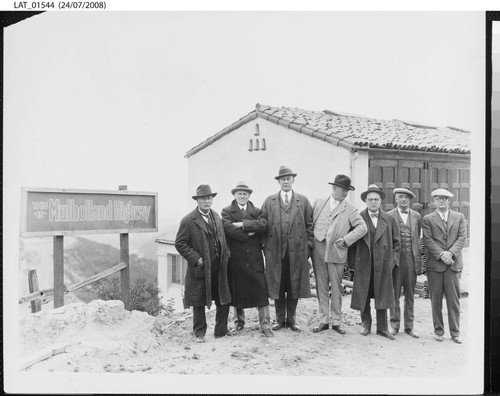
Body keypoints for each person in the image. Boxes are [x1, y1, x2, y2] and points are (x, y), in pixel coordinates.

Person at [175, 184, 231, 343]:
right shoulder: (188, 220)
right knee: (198, 301)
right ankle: (199, 334)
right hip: (200, 269)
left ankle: (221, 331)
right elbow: (180, 244)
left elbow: (222, 239)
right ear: (197, 201)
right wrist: (196, 258)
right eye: (203, 198)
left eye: (209, 198)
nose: (207, 201)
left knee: (223, 298)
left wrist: (226, 255)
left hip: (218, 267)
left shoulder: (216, 216)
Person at [311, 174, 367, 334]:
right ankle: (323, 321)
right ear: (334, 188)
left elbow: (362, 228)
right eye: (343, 190)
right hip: (318, 248)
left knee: (336, 287)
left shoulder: (350, 208)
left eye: (347, 191)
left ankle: (336, 322)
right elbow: (311, 223)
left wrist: (346, 240)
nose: (345, 194)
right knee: (321, 285)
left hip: (337, 250)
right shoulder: (319, 203)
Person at [261, 165, 313, 332]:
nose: (286, 182)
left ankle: (291, 320)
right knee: (278, 285)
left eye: (288, 179)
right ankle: (279, 320)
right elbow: (262, 225)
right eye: (282, 179)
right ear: (279, 181)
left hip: (297, 252)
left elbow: (310, 226)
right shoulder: (270, 201)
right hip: (275, 252)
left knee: (293, 286)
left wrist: (308, 249)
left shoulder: (303, 201)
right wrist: (265, 247)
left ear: (293, 180)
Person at [221, 182, 273, 338]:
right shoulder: (226, 211)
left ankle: (265, 325)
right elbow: (227, 228)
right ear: (234, 195)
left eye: (245, 194)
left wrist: (241, 224)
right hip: (236, 258)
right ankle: (239, 323)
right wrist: (248, 232)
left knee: (261, 293)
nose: (242, 196)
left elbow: (263, 225)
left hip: (254, 258)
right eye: (239, 194)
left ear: (249, 196)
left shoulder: (257, 211)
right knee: (237, 293)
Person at [350, 184, 400, 340]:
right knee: (364, 294)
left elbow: (397, 243)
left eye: (376, 199)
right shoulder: (358, 217)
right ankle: (366, 324)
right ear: (365, 200)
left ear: (381, 201)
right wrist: (353, 263)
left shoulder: (389, 219)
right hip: (363, 263)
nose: (373, 202)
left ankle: (383, 328)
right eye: (370, 199)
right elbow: (350, 242)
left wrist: (393, 262)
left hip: (383, 264)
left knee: (382, 294)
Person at [422, 188, 467, 344]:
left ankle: (455, 333)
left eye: (444, 199)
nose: (441, 201)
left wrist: (450, 254)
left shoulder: (459, 217)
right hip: (435, 265)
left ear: (449, 201)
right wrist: (442, 254)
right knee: (436, 300)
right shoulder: (428, 219)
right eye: (438, 199)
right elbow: (427, 240)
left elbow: (462, 238)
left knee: (454, 301)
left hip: (453, 265)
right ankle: (438, 331)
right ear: (434, 201)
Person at [387, 188, 423, 338]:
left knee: (410, 294)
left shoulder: (416, 216)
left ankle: (409, 327)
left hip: (411, 258)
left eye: (406, 198)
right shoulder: (389, 215)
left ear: (410, 200)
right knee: (394, 293)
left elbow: (417, 237)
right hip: (396, 259)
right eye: (400, 197)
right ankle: (394, 325)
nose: (403, 200)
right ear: (395, 199)